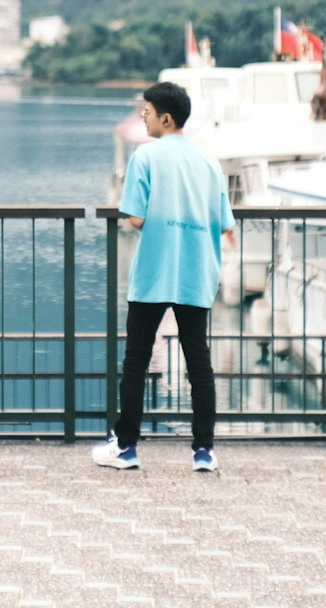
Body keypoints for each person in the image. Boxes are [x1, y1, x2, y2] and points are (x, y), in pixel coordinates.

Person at [94, 81, 234, 472]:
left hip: (155, 270)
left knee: (137, 360)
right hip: (197, 270)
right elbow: (223, 222)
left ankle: (126, 448)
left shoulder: (146, 157)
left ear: (165, 118)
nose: (143, 117)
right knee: (198, 361)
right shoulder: (209, 162)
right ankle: (203, 450)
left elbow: (135, 216)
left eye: (148, 112)